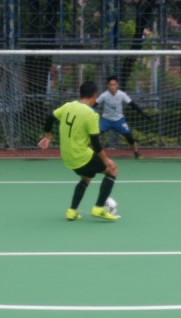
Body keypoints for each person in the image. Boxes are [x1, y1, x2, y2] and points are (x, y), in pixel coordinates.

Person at [38, 81, 120, 221]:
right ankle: (99, 208)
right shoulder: (91, 114)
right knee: (112, 169)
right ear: (94, 95)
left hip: (67, 157)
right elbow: (95, 142)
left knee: (86, 178)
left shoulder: (68, 106)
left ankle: (72, 211)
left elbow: (50, 118)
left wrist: (47, 137)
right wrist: (107, 160)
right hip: (81, 156)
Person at [96, 76, 151, 159]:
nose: (112, 87)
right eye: (111, 85)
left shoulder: (122, 94)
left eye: (114, 84)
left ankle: (136, 153)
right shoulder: (104, 95)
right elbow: (94, 104)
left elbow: (132, 105)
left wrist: (143, 114)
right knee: (95, 135)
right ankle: (93, 153)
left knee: (130, 137)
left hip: (119, 120)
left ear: (117, 85)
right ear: (108, 86)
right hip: (106, 120)